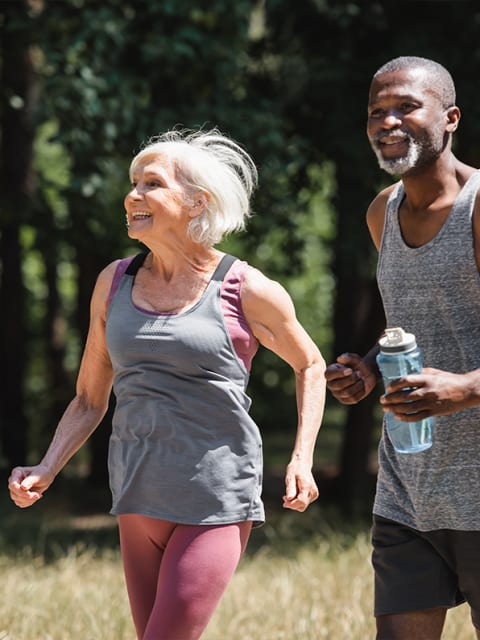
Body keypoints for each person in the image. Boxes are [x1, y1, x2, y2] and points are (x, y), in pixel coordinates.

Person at [8, 128, 326, 640]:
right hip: (136, 491)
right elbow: (90, 397)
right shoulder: (114, 282)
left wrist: (302, 458)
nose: (132, 195)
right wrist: (48, 466)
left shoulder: (245, 287)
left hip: (214, 497)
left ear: (196, 202)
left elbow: (310, 364)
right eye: (133, 184)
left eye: (151, 184)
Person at [325, 56, 480, 640]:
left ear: (451, 118)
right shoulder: (381, 212)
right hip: (408, 488)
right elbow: (411, 321)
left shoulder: (478, 206)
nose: (387, 121)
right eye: (375, 112)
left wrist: (464, 388)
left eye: (406, 107)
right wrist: (367, 369)